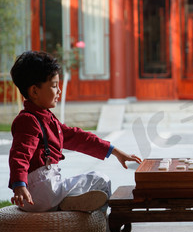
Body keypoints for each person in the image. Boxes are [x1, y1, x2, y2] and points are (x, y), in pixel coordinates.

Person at [9, 51, 142, 213]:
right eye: (54, 86)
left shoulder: (45, 119)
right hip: (41, 191)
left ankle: (65, 204)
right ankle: (103, 225)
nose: (59, 91)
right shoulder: (29, 121)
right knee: (101, 180)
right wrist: (19, 185)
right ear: (34, 91)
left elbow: (79, 138)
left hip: (38, 193)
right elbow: (19, 156)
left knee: (84, 187)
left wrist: (115, 151)